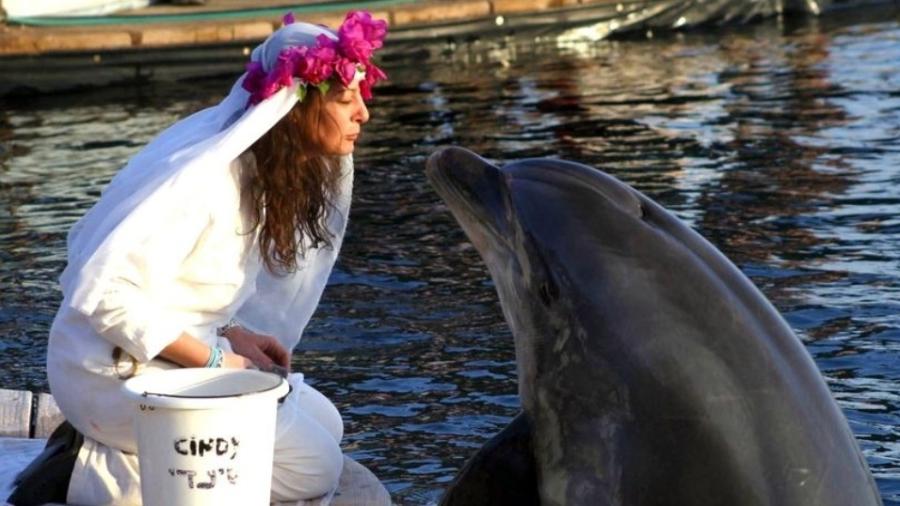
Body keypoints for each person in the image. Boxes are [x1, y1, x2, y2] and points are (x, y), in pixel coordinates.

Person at [7, 10, 387, 506]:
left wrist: (233, 333)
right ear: (293, 108)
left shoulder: (258, 175)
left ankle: (143, 451)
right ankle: (87, 473)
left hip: (164, 362)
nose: (363, 113)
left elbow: (180, 289)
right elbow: (102, 296)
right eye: (344, 98)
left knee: (327, 423)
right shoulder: (208, 184)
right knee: (315, 469)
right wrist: (214, 359)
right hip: (110, 373)